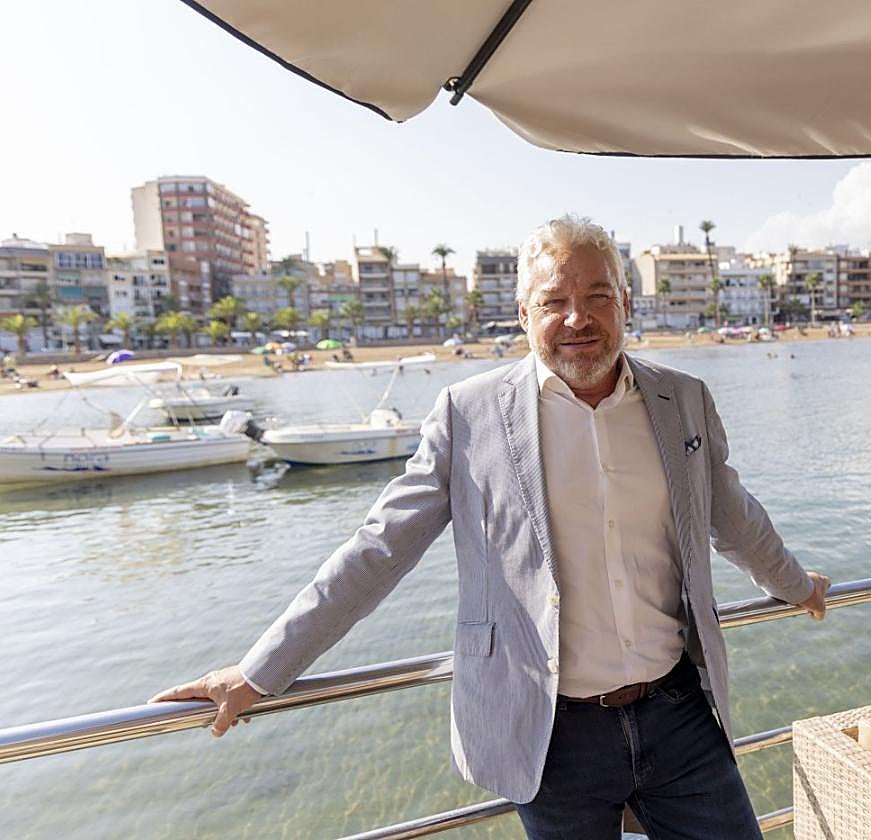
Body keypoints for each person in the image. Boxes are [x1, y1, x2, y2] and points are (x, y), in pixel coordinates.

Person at [151, 215, 829, 840]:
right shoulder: (468, 414)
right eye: (554, 300)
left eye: (598, 295)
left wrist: (796, 586)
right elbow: (378, 549)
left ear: (626, 301)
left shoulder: (682, 398)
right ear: (523, 313)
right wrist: (259, 672)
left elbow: (729, 512)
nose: (578, 318)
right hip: (548, 733)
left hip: (679, 712)